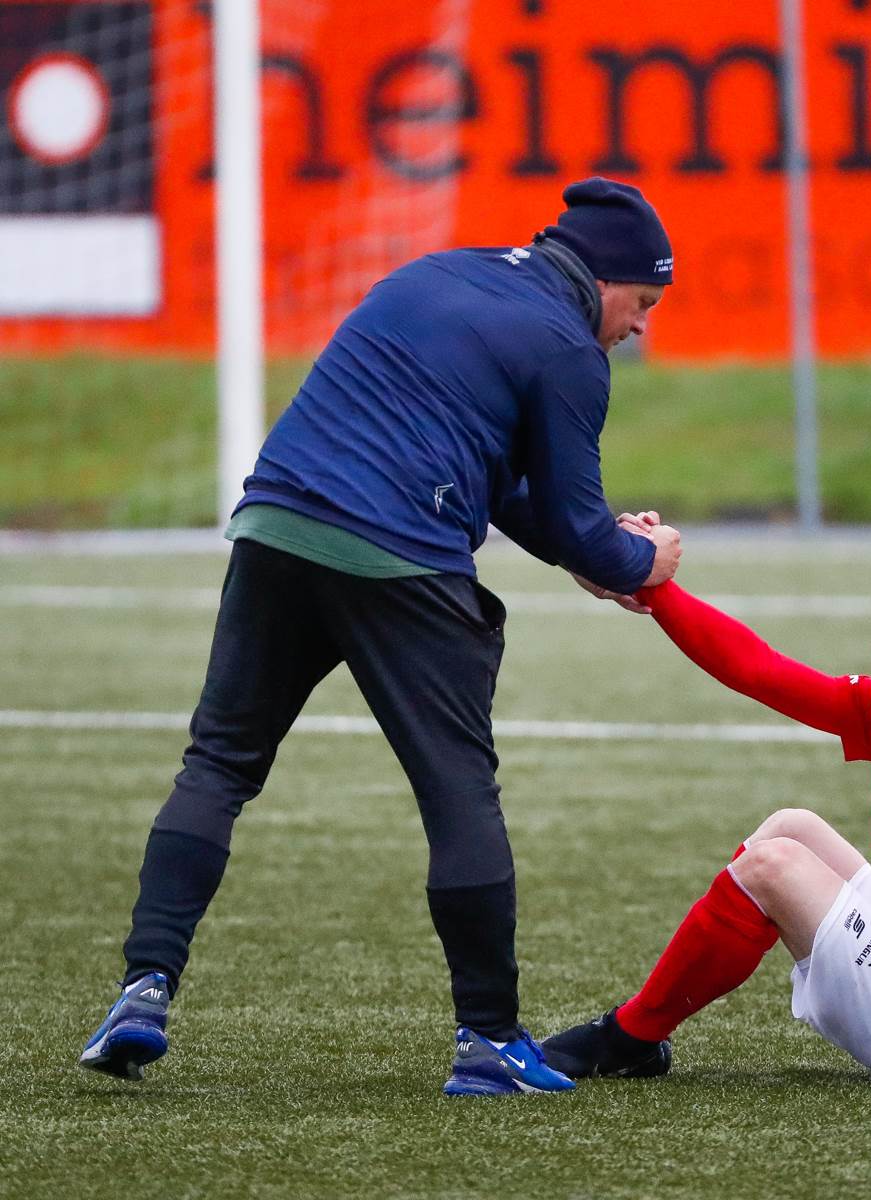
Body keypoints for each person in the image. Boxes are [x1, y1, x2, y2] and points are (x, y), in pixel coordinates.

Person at [79, 178, 682, 1098]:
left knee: (218, 767)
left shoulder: (434, 274)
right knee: (457, 794)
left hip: (275, 522)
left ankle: (142, 989)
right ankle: (489, 1041)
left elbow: (497, 476)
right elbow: (580, 524)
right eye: (642, 302)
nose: (638, 326)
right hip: (399, 554)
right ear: (604, 280)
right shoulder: (568, 349)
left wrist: (587, 553)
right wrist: (643, 558)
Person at [543, 552, 871, 1095]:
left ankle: (628, 1034)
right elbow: (759, 670)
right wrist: (653, 589)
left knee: (774, 865)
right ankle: (640, 1037)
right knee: (791, 828)